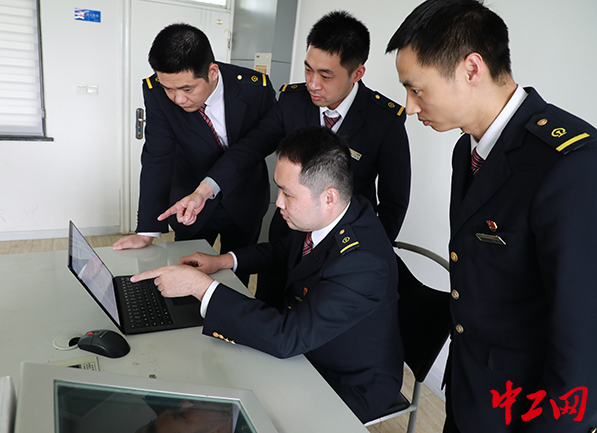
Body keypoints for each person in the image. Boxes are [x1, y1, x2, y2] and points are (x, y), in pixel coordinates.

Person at [386, 1, 597, 432]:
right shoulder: (467, 150)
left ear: (471, 68)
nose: (409, 106)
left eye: (416, 89)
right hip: (471, 392)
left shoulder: (569, 164)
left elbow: (582, 346)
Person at [131, 126, 404, 423]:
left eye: (288, 193)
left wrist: (202, 288)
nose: (279, 203)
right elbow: (283, 250)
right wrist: (223, 260)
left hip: (347, 380)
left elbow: (288, 337)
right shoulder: (335, 212)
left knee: (225, 404)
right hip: (307, 346)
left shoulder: (363, 261)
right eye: (279, 189)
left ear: (329, 197)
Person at [158, 11, 411, 305]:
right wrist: (204, 191)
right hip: (285, 240)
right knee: (268, 304)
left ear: (357, 73)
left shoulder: (384, 120)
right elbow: (249, 149)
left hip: (344, 248)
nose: (312, 84)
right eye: (308, 70)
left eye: (325, 75)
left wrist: (373, 254)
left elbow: (393, 203)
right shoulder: (293, 101)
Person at [112, 23, 276, 284]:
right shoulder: (156, 92)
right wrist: (148, 230)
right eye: (169, 89)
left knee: (237, 277)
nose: (178, 99)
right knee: (187, 276)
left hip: (244, 197)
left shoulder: (255, 89)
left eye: (187, 89)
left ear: (212, 72)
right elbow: (157, 156)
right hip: (190, 205)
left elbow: (261, 144)